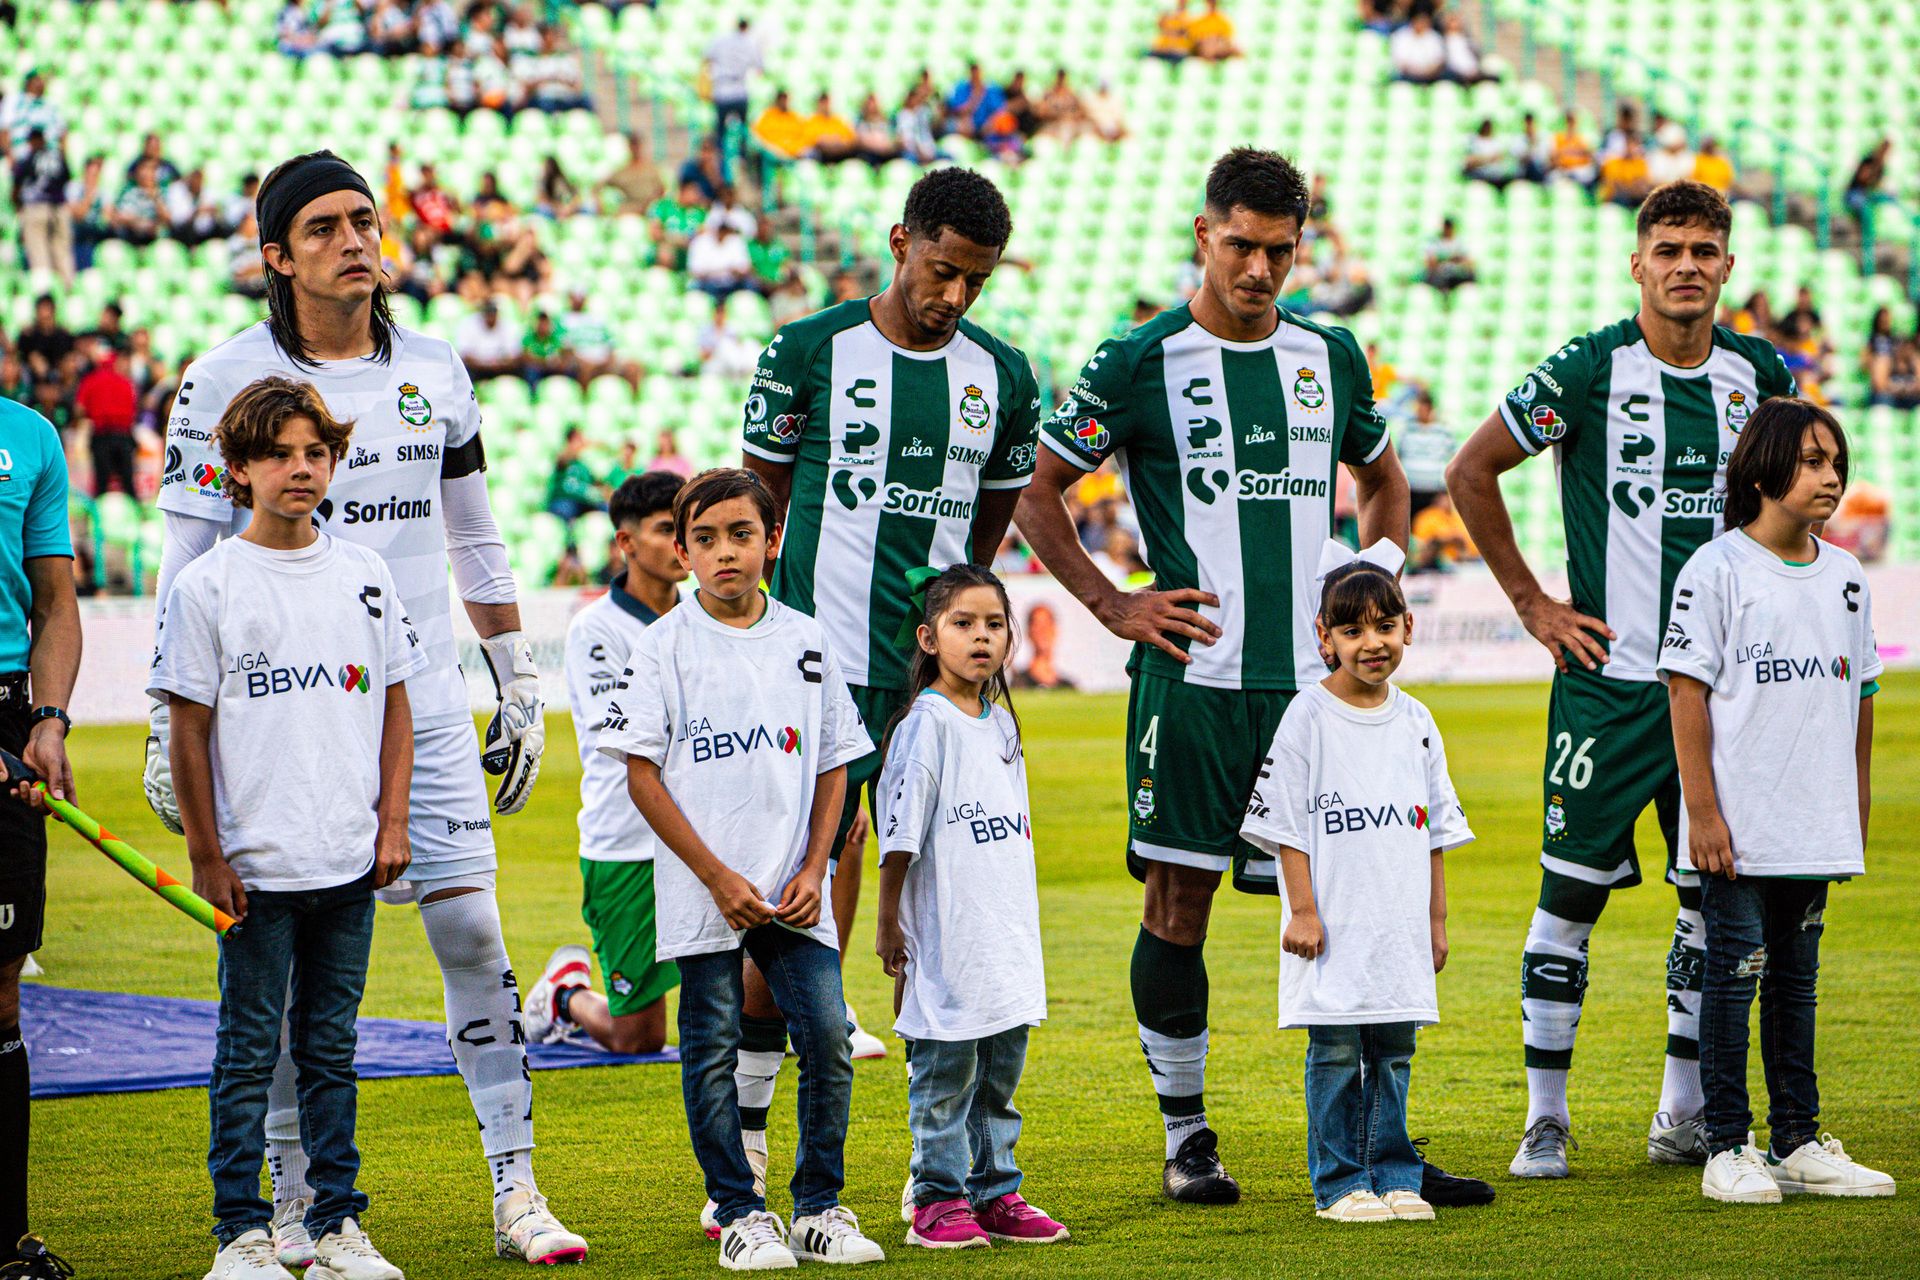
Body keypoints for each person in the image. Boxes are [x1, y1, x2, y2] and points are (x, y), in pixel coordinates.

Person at [1013, 148, 1495, 1210]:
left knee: (1369, 900)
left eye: (1281, 249)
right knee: (1177, 901)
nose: (1261, 268)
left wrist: (1376, 582)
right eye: (1242, 245)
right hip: (1195, 683)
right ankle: (1188, 1137)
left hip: (1317, 695)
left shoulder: (1329, 352)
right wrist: (1116, 603)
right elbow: (1038, 490)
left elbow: (1380, 473)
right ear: (1203, 234)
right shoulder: (1142, 359)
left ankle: (1383, 1147)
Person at [146, 150, 582, 1266]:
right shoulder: (218, 376)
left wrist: (515, 676)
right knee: (286, 960)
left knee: (474, 932)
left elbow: (473, 532)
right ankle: (295, 1204)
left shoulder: (436, 365)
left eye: (367, 220)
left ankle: (516, 1185)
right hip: (277, 716)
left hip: (419, 701)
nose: (357, 239)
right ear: (278, 255)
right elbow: (188, 555)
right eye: (329, 226)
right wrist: (166, 719)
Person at [1443, 180, 1799, 1182]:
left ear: (1728, 266)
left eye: (1705, 248)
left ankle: (1682, 1110)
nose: (1686, 263)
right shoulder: (1591, 366)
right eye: (1669, 247)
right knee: (1568, 901)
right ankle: (1545, 1119)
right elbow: (1472, 469)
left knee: (1708, 901)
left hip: (1722, 690)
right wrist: (1532, 605)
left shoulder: (1762, 373)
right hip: (1610, 682)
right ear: (1638, 263)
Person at [741, 167, 1041, 1166]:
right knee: (793, 879)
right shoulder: (809, 347)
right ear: (899, 240)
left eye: (975, 283)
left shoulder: (1005, 375)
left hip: (929, 682)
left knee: (937, 872)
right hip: (814, 663)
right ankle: (742, 1145)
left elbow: (985, 538)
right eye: (941, 270)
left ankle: (947, 1148)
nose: (953, 296)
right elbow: (759, 498)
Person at [152, 376, 422, 1280]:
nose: (299, 469)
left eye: (315, 451)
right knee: (246, 1051)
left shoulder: (366, 575)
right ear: (236, 471)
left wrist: (392, 821)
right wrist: (206, 854)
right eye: (276, 454)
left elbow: (396, 705)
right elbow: (187, 729)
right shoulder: (208, 585)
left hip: (349, 858)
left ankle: (339, 1222)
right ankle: (241, 1232)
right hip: (255, 866)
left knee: (331, 1051)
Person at [598, 468, 886, 1270]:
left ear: (773, 540)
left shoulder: (806, 637)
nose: (726, 552)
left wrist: (817, 866)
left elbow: (836, 763)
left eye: (742, 534)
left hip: (795, 892)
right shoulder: (663, 646)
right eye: (706, 538)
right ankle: (738, 1210)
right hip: (707, 894)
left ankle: (819, 1207)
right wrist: (718, 876)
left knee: (827, 1036)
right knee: (712, 1044)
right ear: (683, 552)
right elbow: (641, 776)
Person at [1658, 397, 1894, 1204]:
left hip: (1813, 822)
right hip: (1740, 825)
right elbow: (1685, 695)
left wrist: (1851, 809)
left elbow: (1860, 699)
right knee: (1735, 975)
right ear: (1762, 471)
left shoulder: (1849, 577)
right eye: (1814, 462)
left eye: (1837, 463)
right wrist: (1704, 815)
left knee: (1798, 980)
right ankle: (1729, 1144)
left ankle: (1798, 1139)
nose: (1832, 478)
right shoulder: (1717, 569)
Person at [1242, 540, 1473, 1222]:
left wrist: (1436, 922)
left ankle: (1395, 1173)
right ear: (1325, 637)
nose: (1371, 643)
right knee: (1337, 1049)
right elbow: (1286, 824)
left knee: (1395, 1050)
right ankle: (1340, 1182)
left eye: (1385, 625)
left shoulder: (1417, 721)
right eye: (1352, 629)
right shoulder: (1308, 717)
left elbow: (1434, 832)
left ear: (1409, 626)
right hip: (1335, 921)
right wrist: (1302, 911)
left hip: (1399, 921)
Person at [875, 564, 1069, 1249]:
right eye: (963, 624)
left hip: (1003, 935)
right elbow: (897, 840)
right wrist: (889, 926)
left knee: (998, 1079)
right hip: (947, 935)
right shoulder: (924, 727)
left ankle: (996, 1194)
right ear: (929, 638)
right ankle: (935, 1198)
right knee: (945, 1076)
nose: (980, 637)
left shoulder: (1000, 723)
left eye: (993, 624)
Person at [527, 473, 687, 1056]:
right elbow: (619, 732)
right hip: (626, 841)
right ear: (625, 543)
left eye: (686, 530)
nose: (681, 544)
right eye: (666, 530)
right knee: (637, 1037)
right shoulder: (596, 629)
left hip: (703, 838)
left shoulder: (706, 616)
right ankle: (564, 996)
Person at [0, 395, 80, 1275]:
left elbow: (55, 601)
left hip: (7, 719)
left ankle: (7, 1243)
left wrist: (48, 721)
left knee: (0, 995)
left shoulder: (29, 436)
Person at [73, 340, 138, 497]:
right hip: (123, 436)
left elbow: (79, 409)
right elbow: (134, 409)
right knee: (128, 483)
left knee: (102, 483)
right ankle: (135, 513)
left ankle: (100, 514)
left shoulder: (90, 381)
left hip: (101, 436)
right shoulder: (126, 383)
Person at [11, 129, 73, 289]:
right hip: (58, 208)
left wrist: (18, 206)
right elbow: (67, 178)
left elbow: (16, 185)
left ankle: (45, 292)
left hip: (36, 207)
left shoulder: (29, 159)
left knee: (39, 255)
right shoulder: (57, 157)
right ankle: (67, 287)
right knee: (62, 253)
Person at [703, 17, 763, 150]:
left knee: (720, 132)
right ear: (747, 27)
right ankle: (742, 159)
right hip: (739, 91)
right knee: (743, 132)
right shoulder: (749, 43)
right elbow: (760, 69)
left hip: (722, 90)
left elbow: (706, 58)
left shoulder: (720, 40)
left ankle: (720, 159)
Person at [1390, 10, 1447, 83]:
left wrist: (1428, 71)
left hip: (1431, 75)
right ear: (1413, 21)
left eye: (1424, 21)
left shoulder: (1435, 37)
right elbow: (1399, 61)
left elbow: (1439, 60)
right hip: (1407, 75)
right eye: (1419, 20)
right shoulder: (1401, 35)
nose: (1421, 24)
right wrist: (1415, 71)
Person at [1423, 217, 1475, 292]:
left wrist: (1445, 259)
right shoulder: (1435, 242)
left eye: (1449, 227)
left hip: (1456, 274)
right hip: (1440, 274)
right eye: (1446, 227)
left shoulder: (1459, 242)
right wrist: (1452, 258)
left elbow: (1468, 262)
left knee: (1470, 276)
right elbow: (1430, 262)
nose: (1447, 230)